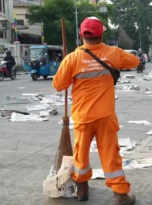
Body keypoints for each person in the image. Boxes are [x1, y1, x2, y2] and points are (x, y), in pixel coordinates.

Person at [52, 17, 139, 205]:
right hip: (105, 116)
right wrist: (110, 57)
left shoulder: (73, 58)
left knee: (80, 154)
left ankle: (82, 190)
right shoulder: (112, 53)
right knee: (110, 155)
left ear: (81, 35)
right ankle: (120, 195)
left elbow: (59, 85)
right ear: (102, 34)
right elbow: (134, 61)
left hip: (83, 117)